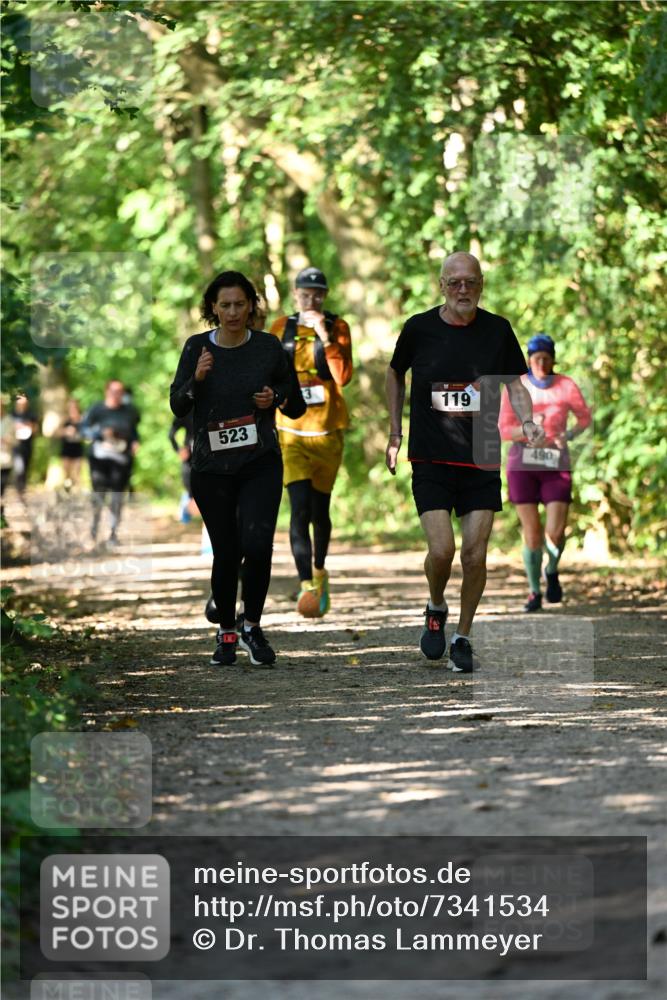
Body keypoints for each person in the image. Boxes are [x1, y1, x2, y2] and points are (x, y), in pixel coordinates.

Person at [385, 251, 543, 672]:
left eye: (470, 282)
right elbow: (394, 372)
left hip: (482, 456)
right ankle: (436, 605)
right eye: (454, 282)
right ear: (441, 286)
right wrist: (394, 433)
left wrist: (527, 420)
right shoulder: (418, 328)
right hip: (431, 455)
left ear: (481, 285)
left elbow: (516, 385)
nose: (463, 290)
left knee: (474, 555)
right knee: (442, 550)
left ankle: (463, 637)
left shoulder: (497, 330)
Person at [170, 270, 292, 667]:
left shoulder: (269, 347)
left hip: (260, 463)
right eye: (225, 305)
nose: (233, 312)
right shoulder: (195, 348)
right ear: (213, 309)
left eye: (240, 304)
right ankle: (225, 632)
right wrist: (197, 378)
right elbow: (177, 404)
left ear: (251, 307)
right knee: (227, 551)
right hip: (211, 467)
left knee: (257, 546)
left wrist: (274, 398)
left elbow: (295, 403)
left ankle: (252, 627)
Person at [269, 266, 353, 617]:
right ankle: (306, 586)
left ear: (326, 295)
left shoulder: (339, 327)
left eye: (318, 293)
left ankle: (320, 570)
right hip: (291, 432)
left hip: (328, 433)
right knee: (299, 509)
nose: (312, 299)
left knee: (320, 510)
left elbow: (343, 378)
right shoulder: (278, 328)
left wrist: (325, 336)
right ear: (295, 294)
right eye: (305, 293)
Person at [498, 333, 592, 611]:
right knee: (533, 533)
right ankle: (533, 591)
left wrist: (569, 435)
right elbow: (503, 429)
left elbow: (584, 418)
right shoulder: (517, 387)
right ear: (528, 359)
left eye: (546, 358)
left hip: (555, 463)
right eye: (535, 358)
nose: (540, 363)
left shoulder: (566, 385)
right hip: (522, 464)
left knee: (555, 531)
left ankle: (551, 569)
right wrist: (525, 430)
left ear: (552, 359)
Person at [81, 380, 140, 545]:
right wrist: (100, 433)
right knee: (98, 494)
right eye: (114, 391)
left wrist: (136, 441)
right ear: (106, 391)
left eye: (120, 391)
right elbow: (84, 429)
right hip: (99, 459)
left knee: (117, 496)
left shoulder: (130, 411)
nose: (117, 394)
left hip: (121, 460)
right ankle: (93, 530)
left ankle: (113, 534)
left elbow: (134, 430)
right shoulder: (96, 409)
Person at [168, 411, 196, 522]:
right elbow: (171, 434)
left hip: (213, 456)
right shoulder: (187, 410)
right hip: (190, 457)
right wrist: (179, 450)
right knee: (190, 488)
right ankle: (186, 508)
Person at [12, 393, 39, 498]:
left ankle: (22, 488)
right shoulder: (12, 414)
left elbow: (36, 430)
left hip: (27, 444)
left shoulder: (31, 414)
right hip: (15, 445)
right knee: (19, 467)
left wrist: (29, 427)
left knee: (25, 467)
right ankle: (19, 489)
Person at [58, 398, 84, 490]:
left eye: (74, 407)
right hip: (66, 448)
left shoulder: (82, 420)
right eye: (71, 407)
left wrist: (79, 434)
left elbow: (86, 433)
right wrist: (65, 431)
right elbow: (56, 432)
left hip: (78, 448)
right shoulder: (65, 419)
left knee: (77, 473)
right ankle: (66, 490)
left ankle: (77, 494)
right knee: (66, 474)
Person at [1, 396, 14, 523]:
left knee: (1, 490)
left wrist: (6, 440)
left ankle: (1, 516)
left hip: (5, 461)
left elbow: (14, 441)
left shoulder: (9, 421)